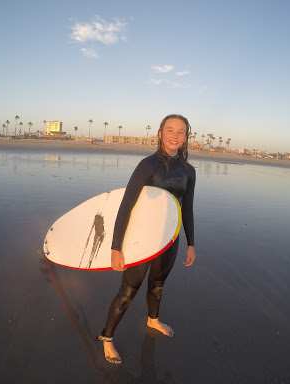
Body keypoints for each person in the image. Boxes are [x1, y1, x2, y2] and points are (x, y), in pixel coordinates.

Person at [97, 114, 196, 364]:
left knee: (157, 286)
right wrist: (116, 247)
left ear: (186, 137)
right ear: (160, 133)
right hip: (140, 241)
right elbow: (126, 207)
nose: (175, 135)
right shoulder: (147, 165)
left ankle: (153, 320)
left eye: (180, 131)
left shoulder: (189, 171)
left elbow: (187, 209)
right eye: (170, 130)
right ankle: (107, 338)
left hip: (169, 242)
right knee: (127, 293)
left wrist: (191, 243)